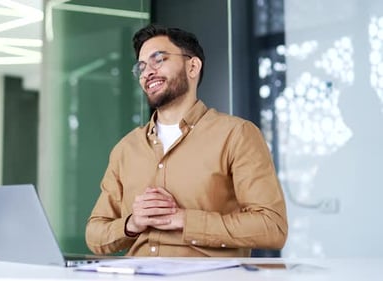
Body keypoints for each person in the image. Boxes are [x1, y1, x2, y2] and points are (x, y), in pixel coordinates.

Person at [85, 24, 288, 257]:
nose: (146, 72)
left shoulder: (237, 134)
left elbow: (273, 227)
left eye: (158, 59)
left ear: (192, 66)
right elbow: (95, 234)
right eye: (141, 67)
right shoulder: (125, 149)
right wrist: (132, 223)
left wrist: (184, 220)